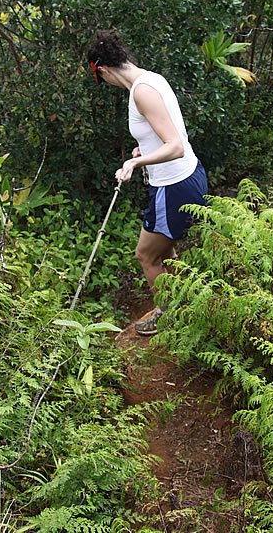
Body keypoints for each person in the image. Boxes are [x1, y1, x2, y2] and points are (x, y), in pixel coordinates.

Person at [87, 30, 207, 335]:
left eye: (103, 80)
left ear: (103, 70)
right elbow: (166, 133)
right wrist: (147, 149)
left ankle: (169, 316)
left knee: (146, 253)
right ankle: (185, 304)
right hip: (184, 177)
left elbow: (175, 144)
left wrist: (135, 161)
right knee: (164, 251)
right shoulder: (151, 79)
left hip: (173, 185)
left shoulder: (142, 91)